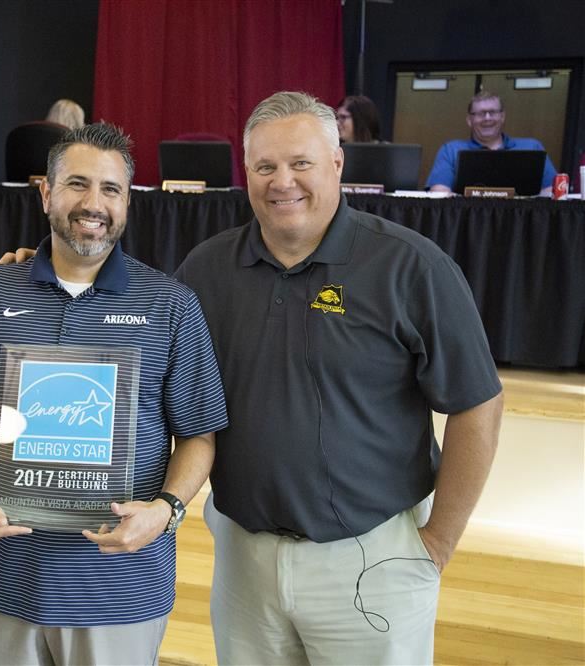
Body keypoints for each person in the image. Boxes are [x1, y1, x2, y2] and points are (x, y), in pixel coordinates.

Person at [173, 91, 504, 665]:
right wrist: (44, 270)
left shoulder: (411, 266)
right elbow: (133, 343)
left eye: (301, 163)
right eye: (265, 166)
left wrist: (437, 544)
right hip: (243, 560)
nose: (283, 182)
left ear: (336, 163)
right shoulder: (206, 270)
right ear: (246, 172)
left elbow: (478, 404)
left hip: (374, 560)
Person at [0, 123, 228, 665]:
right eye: (77, 184)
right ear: (46, 193)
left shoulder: (171, 306)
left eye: (110, 189)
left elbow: (199, 436)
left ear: (128, 202)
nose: (93, 203)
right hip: (4, 582)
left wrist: (166, 511)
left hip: (122, 591)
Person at [426, 90, 557, 194]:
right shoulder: (450, 150)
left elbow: (552, 191)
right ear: (469, 120)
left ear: (502, 116)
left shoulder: (532, 147)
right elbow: (439, 193)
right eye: (481, 113)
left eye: (492, 112)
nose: (487, 118)